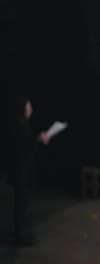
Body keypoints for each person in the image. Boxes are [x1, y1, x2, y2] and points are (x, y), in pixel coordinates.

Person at [12, 96, 49, 247]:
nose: (31, 109)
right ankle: (21, 235)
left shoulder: (22, 124)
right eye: (29, 106)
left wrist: (38, 139)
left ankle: (23, 231)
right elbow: (24, 147)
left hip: (23, 169)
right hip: (21, 170)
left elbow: (27, 144)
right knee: (21, 203)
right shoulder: (19, 125)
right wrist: (38, 139)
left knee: (23, 202)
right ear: (24, 109)